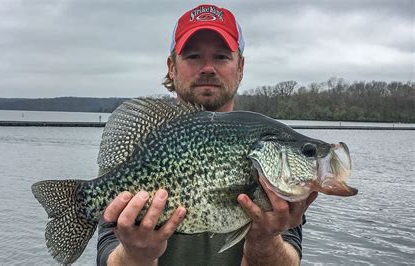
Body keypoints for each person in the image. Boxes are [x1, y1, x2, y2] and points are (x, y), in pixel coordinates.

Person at [97, 4, 318, 265]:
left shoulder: (272, 146)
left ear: (241, 67)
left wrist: (264, 240)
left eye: (222, 56)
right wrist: (136, 255)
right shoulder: (147, 138)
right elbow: (107, 256)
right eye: (193, 56)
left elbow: (290, 258)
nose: (208, 68)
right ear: (172, 67)